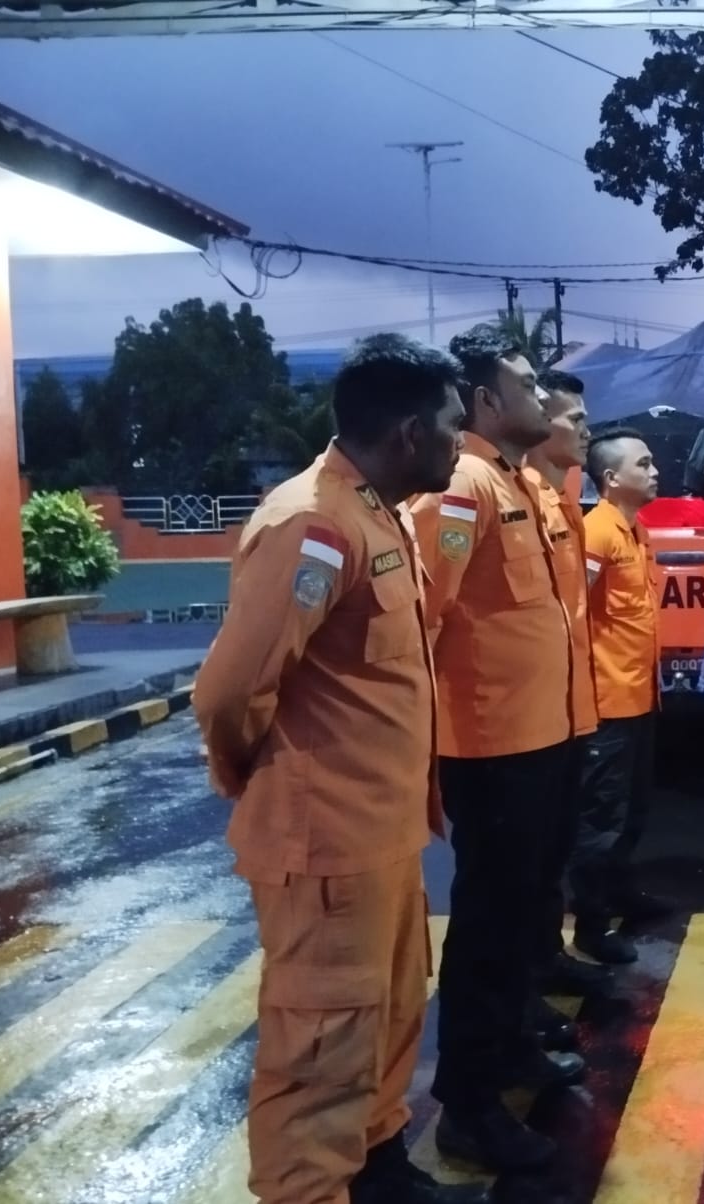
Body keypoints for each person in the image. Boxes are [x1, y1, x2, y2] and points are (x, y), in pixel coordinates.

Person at [192, 333, 486, 1204]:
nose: (460, 441)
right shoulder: (313, 524)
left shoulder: (378, 512)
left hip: (384, 835)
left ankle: (379, 1169)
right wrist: (259, 778)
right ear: (406, 430)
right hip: (326, 845)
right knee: (320, 1052)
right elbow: (229, 692)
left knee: (387, 1018)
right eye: (450, 424)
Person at [410, 324, 587, 1174]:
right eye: (523, 384)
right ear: (485, 399)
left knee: (525, 917)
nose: (542, 399)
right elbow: (425, 614)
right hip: (492, 748)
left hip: (542, 737)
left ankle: (513, 1047)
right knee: (487, 928)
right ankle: (467, 1106)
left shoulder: (518, 481)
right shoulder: (462, 491)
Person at [518, 368, 602, 1045]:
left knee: (546, 869)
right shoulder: (475, 495)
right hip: (505, 736)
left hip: (558, 717)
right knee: (502, 900)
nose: (586, 428)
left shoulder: (553, 496)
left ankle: (541, 972)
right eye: (574, 417)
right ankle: (508, 1028)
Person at [571, 428, 668, 965]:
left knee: (631, 812)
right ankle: (590, 927)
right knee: (600, 822)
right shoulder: (597, 534)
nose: (655, 472)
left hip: (639, 696)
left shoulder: (636, 530)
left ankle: (620, 896)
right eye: (645, 463)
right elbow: (575, 615)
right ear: (611, 478)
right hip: (608, 703)